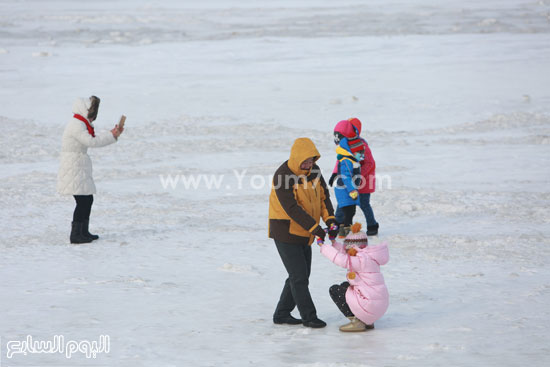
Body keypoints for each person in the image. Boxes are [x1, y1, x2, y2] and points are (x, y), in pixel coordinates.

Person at [268, 137, 338, 328]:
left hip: (306, 231)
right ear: (297, 158)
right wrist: (314, 227)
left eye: (312, 160)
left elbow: (323, 196)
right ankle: (309, 316)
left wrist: (330, 219)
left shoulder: (314, 171)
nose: (309, 164)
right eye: (305, 161)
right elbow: (292, 208)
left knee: (300, 274)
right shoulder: (283, 175)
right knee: (299, 276)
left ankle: (282, 313)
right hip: (285, 231)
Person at [57, 96, 124, 244]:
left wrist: (111, 134)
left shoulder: (81, 123)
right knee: (83, 200)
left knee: (87, 199)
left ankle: (83, 232)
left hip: (78, 165)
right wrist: (112, 135)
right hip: (73, 166)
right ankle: (75, 235)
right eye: (92, 114)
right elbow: (91, 141)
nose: (93, 117)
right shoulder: (76, 125)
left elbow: (91, 139)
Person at [318, 223, 389, 332]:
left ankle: (358, 321)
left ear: (354, 248)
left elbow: (341, 259)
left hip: (370, 305)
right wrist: (333, 242)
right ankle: (367, 321)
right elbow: (344, 253)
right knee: (345, 286)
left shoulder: (361, 260)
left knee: (335, 290)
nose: (346, 250)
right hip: (377, 304)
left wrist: (322, 246)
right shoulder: (367, 256)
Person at [329, 117, 379, 236]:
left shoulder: (360, 146)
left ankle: (372, 225)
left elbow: (370, 163)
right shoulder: (346, 146)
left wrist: (358, 175)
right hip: (350, 181)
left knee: (364, 204)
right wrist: (335, 173)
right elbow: (340, 161)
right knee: (343, 202)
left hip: (364, 182)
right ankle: (337, 224)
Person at [332, 120, 364, 238]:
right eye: (360, 153)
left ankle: (341, 231)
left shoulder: (352, 160)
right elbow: (346, 177)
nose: (362, 156)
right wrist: (352, 190)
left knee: (348, 212)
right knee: (349, 212)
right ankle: (346, 233)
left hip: (347, 190)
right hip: (345, 190)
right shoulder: (347, 161)